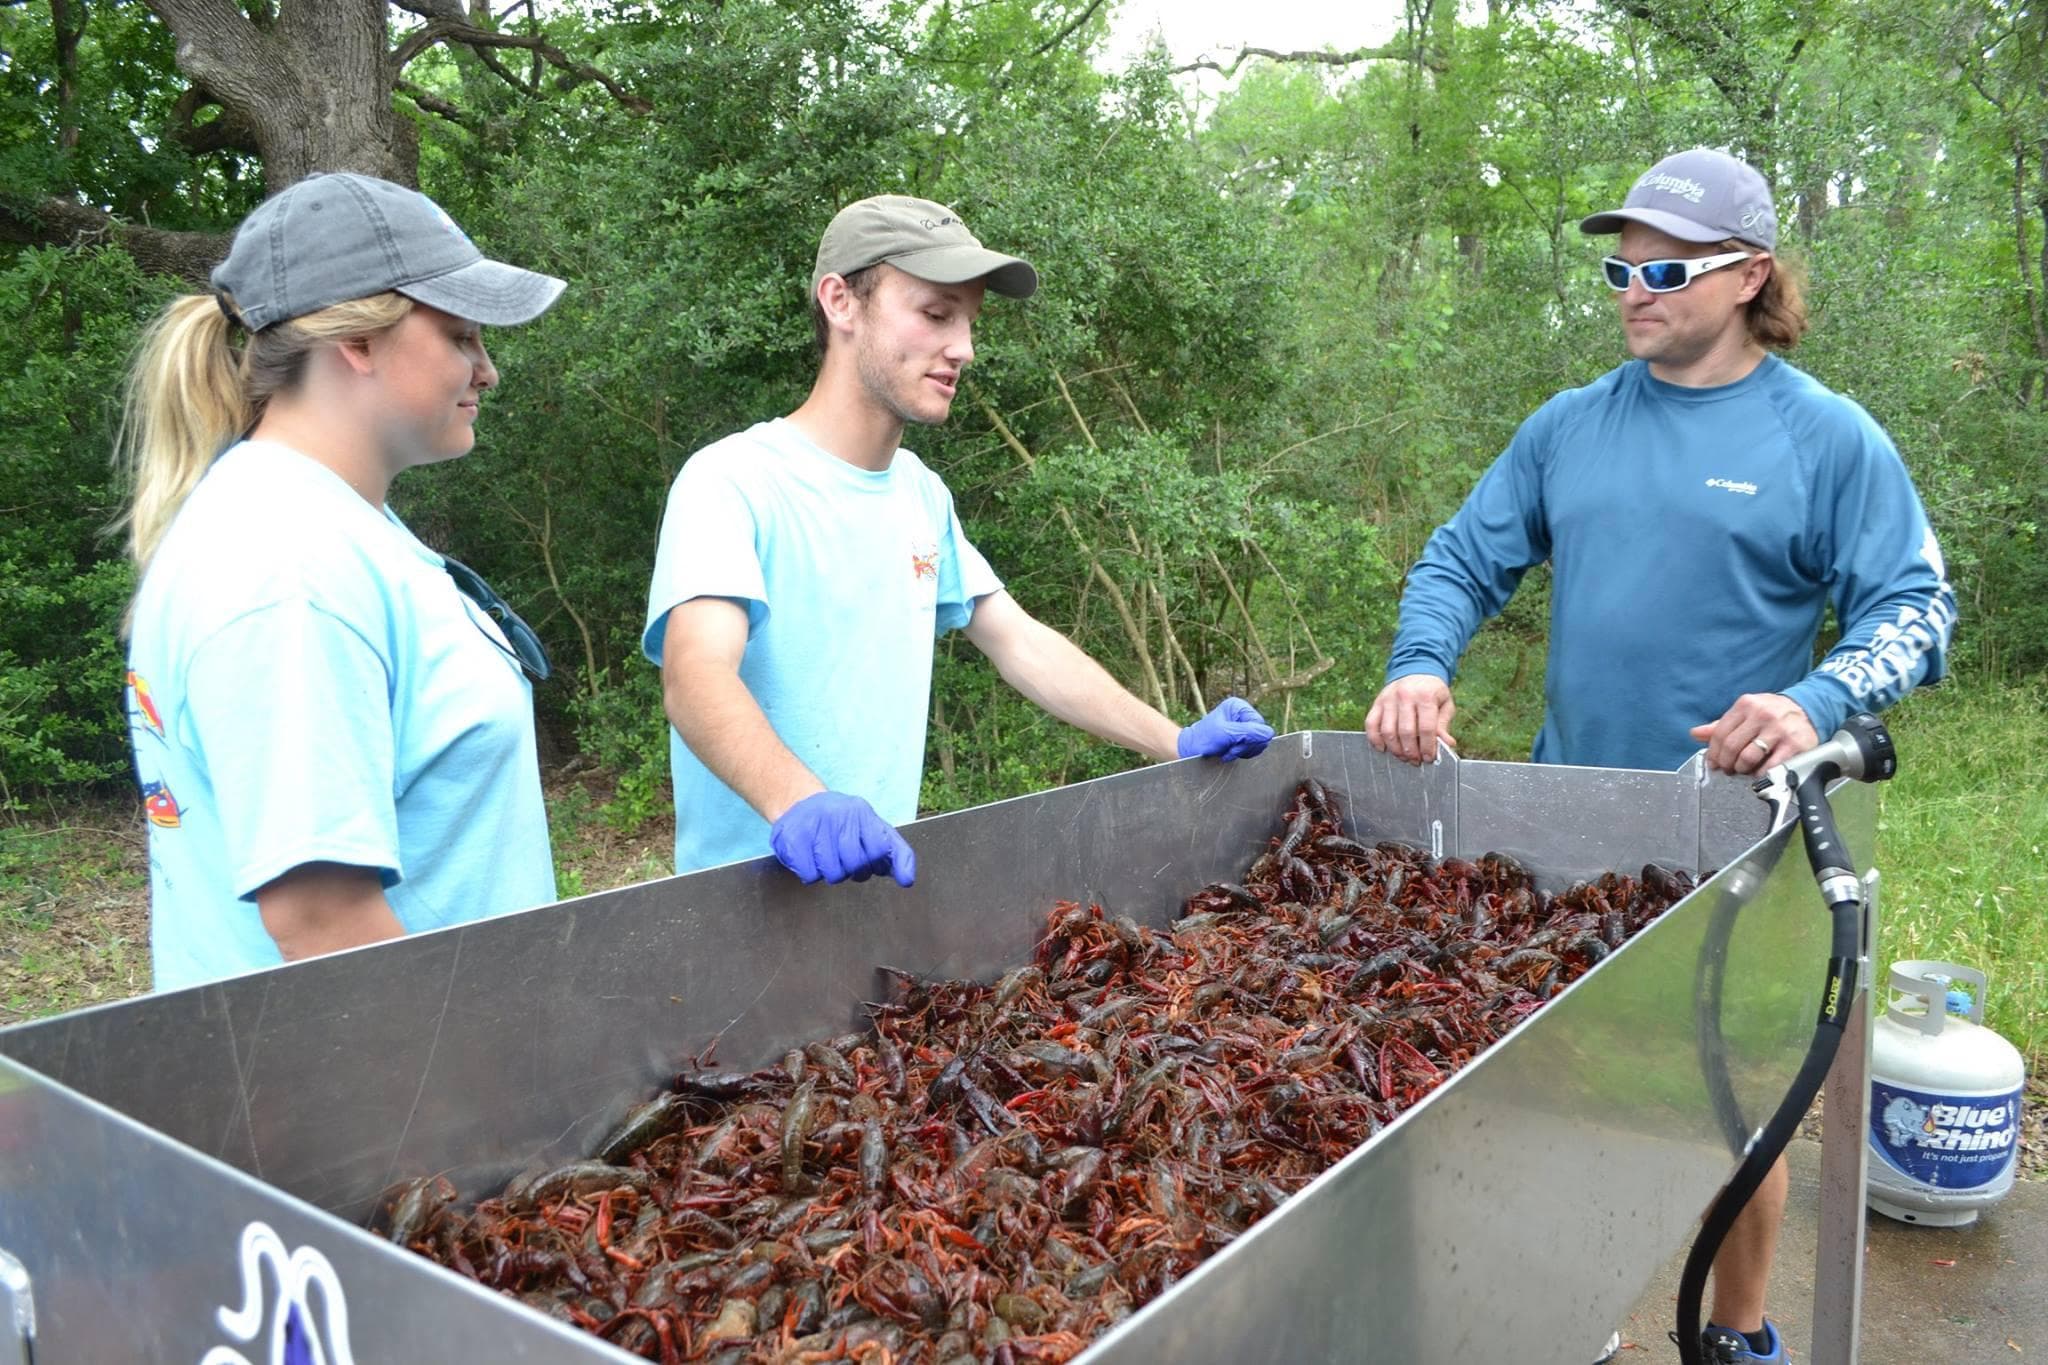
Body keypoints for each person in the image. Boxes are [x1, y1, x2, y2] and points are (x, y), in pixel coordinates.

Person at [1365, 148, 1956, 1364]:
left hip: (1733, 838)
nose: (1634, 289)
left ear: (1746, 276)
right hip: (1565, 837)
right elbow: (1455, 562)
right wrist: (1420, 661)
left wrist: (1814, 699)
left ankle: (1732, 1338)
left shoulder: (1823, 438)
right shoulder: (1569, 426)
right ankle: (1564, 1315)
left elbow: (1915, 608)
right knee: (1551, 1097)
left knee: (1730, 1112)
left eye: (1666, 268)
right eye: (1619, 267)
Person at [644, 194, 1273, 883]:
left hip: (878, 886)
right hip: (737, 909)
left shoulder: (920, 494)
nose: (964, 349)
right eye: (936, 314)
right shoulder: (733, 480)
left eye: (970, 322)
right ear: (840, 302)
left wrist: (1175, 740)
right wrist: (799, 798)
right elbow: (695, 674)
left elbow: (1019, 642)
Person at [119, 172, 567, 992]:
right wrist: (485, 1091)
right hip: (381, 1103)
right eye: (461, 335)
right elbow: (325, 924)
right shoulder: (286, 568)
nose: (488, 369)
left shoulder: (333, 527)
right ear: (356, 341)